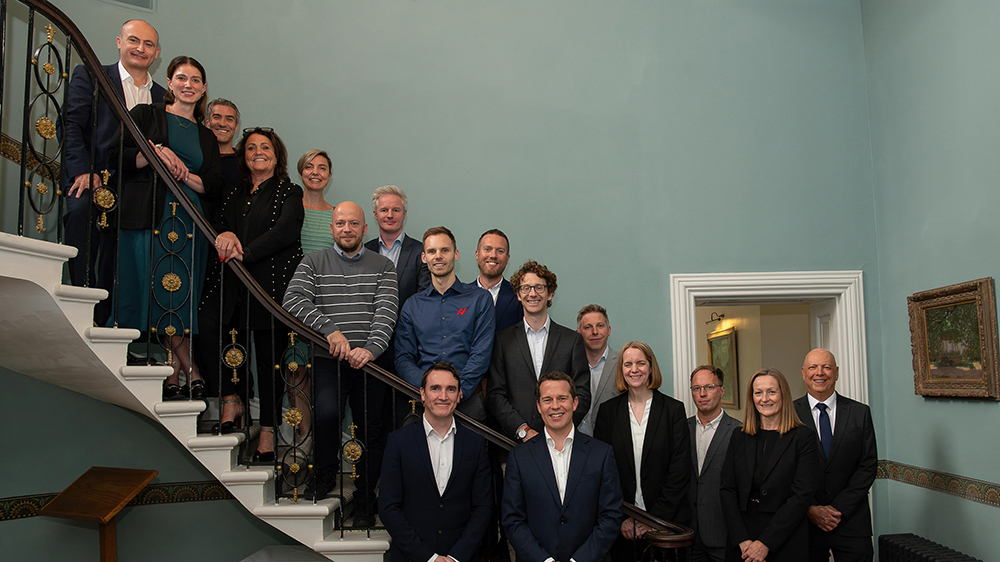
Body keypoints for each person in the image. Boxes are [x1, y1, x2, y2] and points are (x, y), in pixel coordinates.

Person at [111, 56, 224, 401]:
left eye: (195, 80)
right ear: (170, 83)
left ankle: (175, 376)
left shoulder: (206, 135)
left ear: (203, 88)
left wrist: (184, 173)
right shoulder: (148, 115)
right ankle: (191, 369)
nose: (188, 84)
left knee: (180, 295)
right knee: (154, 286)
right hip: (150, 215)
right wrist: (156, 151)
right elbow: (119, 153)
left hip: (189, 221)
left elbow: (215, 185)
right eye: (181, 78)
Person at [282, 201, 398, 526]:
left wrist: (371, 349)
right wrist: (329, 330)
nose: (347, 229)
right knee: (326, 414)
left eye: (353, 224)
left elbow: (386, 312)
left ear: (365, 229)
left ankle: (364, 496)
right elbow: (292, 301)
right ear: (332, 229)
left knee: (370, 429)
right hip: (327, 359)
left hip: (371, 364)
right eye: (341, 223)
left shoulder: (384, 266)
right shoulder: (313, 262)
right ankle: (324, 475)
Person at [199, 126, 303, 464]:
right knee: (217, 336)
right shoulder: (233, 193)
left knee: (269, 361)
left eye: (265, 147)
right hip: (233, 286)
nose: (258, 151)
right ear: (244, 157)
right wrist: (226, 232)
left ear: (277, 155)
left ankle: (269, 434)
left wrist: (245, 251)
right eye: (251, 148)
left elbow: (285, 232)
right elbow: (219, 225)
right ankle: (233, 400)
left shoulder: (289, 191)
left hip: (270, 288)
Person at [61, 19, 165, 326]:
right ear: (119, 42)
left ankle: (113, 326)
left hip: (139, 190)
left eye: (148, 44)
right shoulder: (91, 76)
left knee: (123, 265)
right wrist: (83, 171)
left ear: (157, 53)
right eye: (133, 40)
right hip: (95, 180)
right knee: (81, 219)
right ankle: (81, 307)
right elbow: (70, 126)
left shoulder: (163, 96)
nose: (140, 48)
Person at [502, 371, 622, 562]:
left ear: (574, 403)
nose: (555, 406)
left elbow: (611, 516)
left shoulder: (601, 454)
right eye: (547, 400)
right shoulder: (519, 458)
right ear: (539, 406)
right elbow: (512, 520)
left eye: (562, 398)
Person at [379, 361, 492, 562]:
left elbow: (483, 508)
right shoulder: (398, 442)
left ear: (459, 396)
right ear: (422, 394)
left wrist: (456, 556)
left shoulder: (476, 444)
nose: (443, 396)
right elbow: (388, 508)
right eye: (435, 388)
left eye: (450, 389)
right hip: (411, 557)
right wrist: (429, 558)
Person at [594, 341, 691, 562]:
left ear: (651, 367)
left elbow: (680, 472)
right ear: (621, 370)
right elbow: (603, 474)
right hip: (622, 528)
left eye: (640, 363)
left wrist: (651, 519)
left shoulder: (673, 410)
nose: (634, 369)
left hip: (666, 527)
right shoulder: (607, 412)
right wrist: (623, 518)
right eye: (628, 364)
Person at [395, 227, 495, 422]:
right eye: (432, 252)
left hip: (467, 401)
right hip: (423, 403)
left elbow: (481, 353)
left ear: (456, 254)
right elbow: (403, 358)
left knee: (471, 453)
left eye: (445, 250)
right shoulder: (412, 305)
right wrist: (430, 389)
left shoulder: (480, 299)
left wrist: (457, 390)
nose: (438, 256)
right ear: (424, 257)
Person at [720, 368, 820, 562]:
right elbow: (727, 490)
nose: (764, 399)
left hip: (785, 539)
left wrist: (765, 543)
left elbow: (801, 496)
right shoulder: (739, 436)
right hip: (742, 540)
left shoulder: (803, 438)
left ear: (783, 394)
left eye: (771, 392)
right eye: (758, 393)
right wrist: (742, 539)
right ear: (752, 398)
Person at [486, 260, 590, 442]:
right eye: (525, 288)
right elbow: (495, 395)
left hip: (562, 444)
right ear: (518, 294)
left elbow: (582, 393)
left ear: (550, 294)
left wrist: (559, 427)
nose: (532, 294)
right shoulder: (502, 340)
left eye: (539, 288)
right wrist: (522, 430)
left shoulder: (572, 341)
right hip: (514, 444)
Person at [794, 349, 877, 562]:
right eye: (813, 367)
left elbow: (867, 465)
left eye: (826, 367)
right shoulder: (789, 415)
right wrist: (810, 508)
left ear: (837, 372)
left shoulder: (860, 413)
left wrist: (837, 508)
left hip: (851, 522)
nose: (819, 373)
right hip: (804, 525)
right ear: (803, 373)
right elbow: (784, 469)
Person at [687, 365, 741, 562]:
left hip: (723, 533)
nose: (702, 394)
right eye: (696, 388)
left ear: (722, 390)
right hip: (687, 533)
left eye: (709, 387)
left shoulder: (739, 432)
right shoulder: (681, 429)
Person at [576, 304, 619, 436]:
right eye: (588, 327)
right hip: (575, 446)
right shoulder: (570, 366)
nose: (595, 332)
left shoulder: (623, 366)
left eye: (600, 326)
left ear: (609, 330)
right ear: (578, 333)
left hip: (612, 444)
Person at [474, 229, 522, 332]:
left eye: (500, 251)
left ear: (507, 259)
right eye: (487, 249)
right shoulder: (460, 296)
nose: (493, 255)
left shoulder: (519, 296)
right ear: (477, 254)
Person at [297, 150, 335, 255]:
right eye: (309, 167)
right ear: (301, 173)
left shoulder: (336, 214)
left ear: (329, 176)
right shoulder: (289, 209)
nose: (315, 172)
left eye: (322, 168)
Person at [205, 98, 241, 194]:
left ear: (236, 126)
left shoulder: (244, 163)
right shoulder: (197, 159)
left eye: (229, 119)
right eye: (217, 117)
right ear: (207, 122)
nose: (222, 124)